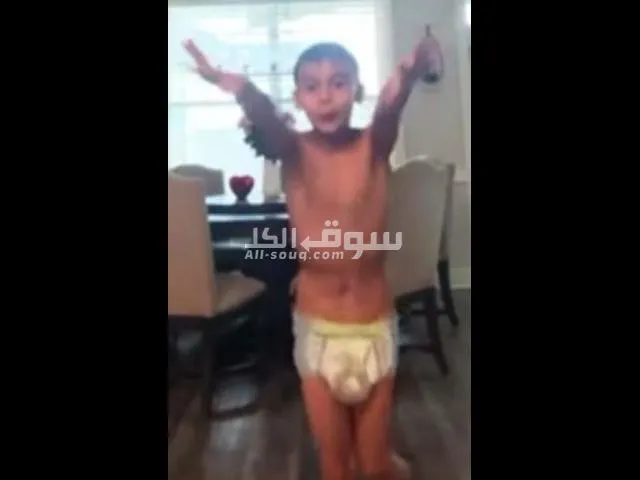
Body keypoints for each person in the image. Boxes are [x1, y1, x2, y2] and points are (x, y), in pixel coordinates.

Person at [184, 29, 442, 480]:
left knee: (375, 466)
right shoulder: (293, 151)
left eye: (339, 83)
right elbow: (265, 117)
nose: (325, 95)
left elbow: (389, 105)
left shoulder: (374, 145)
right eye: (312, 86)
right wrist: (236, 85)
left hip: (375, 330)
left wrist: (410, 69)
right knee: (334, 467)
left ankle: (387, 464)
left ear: (356, 90)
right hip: (318, 333)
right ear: (299, 98)